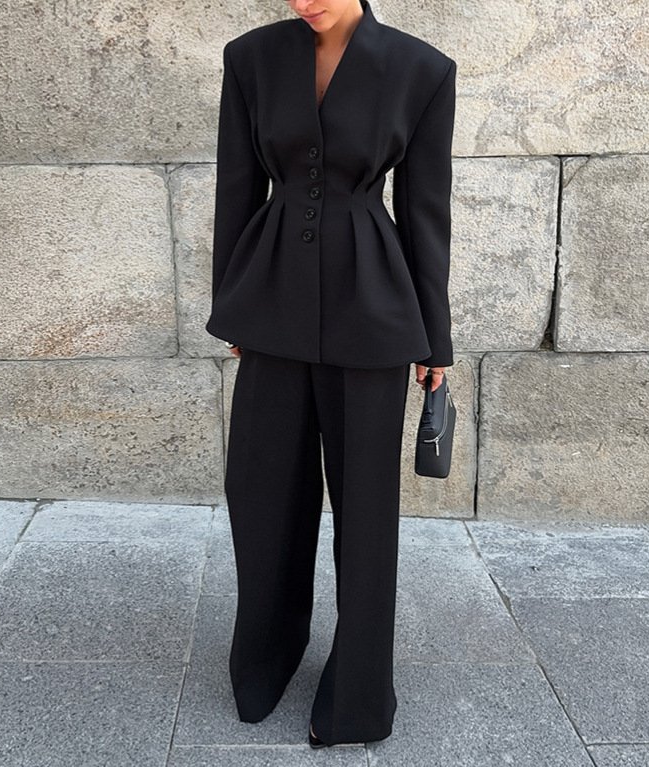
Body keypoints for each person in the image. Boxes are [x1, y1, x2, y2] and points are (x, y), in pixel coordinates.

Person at [205, 0, 456, 748]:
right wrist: (233, 307)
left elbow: (425, 210)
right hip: (272, 302)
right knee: (261, 493)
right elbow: (236, 187)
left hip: (372, 310)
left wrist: (435, 343)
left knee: (365, 512)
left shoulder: (421, 69)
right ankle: (266, 657)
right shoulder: (250, 58)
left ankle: (356, 698)